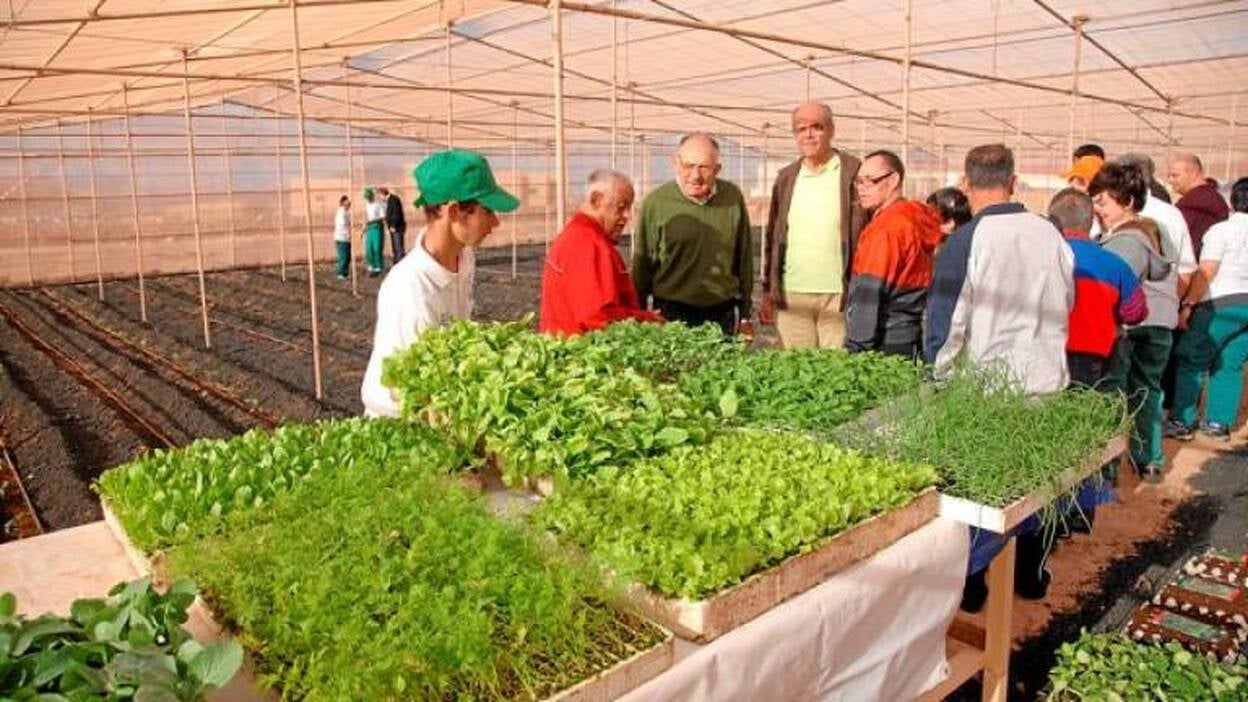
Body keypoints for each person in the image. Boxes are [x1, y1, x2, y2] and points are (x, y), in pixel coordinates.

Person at [361, 149, 518, 417]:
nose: (495, 221)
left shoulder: (464, 258)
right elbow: (409, 392)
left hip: (442, 406)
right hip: (401, 426)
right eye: (487, 210)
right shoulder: (410, 289)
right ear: (456, 211)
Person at [925, 143, 1075, 395]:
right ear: (1013, 182)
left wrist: (940, 379)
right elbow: (1068, 300)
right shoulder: (1050, 234)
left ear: (965, 183)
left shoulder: (965, 241)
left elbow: (947, 321)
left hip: (989, 390)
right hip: (1047, 381)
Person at [1089, 163, 1181, 481]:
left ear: (1127, 201)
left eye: (1103, 203)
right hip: (1160, 322)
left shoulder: (1124, 244)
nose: (1097, 210)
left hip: (1129, 326)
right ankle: (1149, 459)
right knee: (1147, 391)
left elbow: (1113, 292)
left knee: (1112, 396)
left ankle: (1107, 468)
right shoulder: (1153, 230)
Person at [761, 102, 865, 348]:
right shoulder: (786, 178)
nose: (808, 134)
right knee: (795, 370)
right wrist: (768, 288)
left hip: (839, 293)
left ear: (831, 130)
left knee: (837, 371)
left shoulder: (853, 172)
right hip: (792, 294)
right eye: (801, 129)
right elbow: (773, 235)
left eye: (817, 127)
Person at [632, 132, 753, 336]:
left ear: (717, 169)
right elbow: (643, 264)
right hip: (671, 312)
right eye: (689, 166)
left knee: (722, 367)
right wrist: (640, 315)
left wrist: (745, 315)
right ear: (675, 163)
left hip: (721, 311)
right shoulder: (657, 203)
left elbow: (744, 257)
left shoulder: (732, 197)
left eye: (704, 168)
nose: (696, 176)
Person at [1167, 178, 1248, 442]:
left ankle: (1182, 420)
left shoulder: (1221, 231)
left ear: (1232, 200)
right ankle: (1218, 423)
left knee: (1192, 361)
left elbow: (1207, 271)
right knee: (1231, 364)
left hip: (1220, 302)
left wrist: (1189, 304)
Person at [843, 150, 942, 358]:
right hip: (909, 337)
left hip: (884, 343)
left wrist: (856, 350)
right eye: (859, 182)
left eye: (870, 181)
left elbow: (868, 297)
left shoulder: (886, 229)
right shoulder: (914, 219)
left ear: (894, 179)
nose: (862, 189)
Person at [1047, 187, 1148, 388]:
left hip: (1049, 346)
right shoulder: (1114, 263)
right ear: (1092, 220)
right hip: (1094, 354)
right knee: (1082, 408)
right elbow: (1135, 312)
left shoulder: (1045, 256)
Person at [540, 170, 660, 336]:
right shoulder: (588, 245)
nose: (627, 216)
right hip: (582, 353)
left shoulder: (579, 236)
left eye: (629, 207)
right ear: (596, 200)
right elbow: (597, 318)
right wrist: (647, 319)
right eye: (621, 207)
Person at [1168, 153, 1230, 255]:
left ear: (1194, 174)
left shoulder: (1197, 202)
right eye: (1169, 176)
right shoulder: (1208, 197)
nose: (1170, 180)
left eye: (1175, 175)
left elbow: (1182, 239)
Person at [379, 186, 407, 264]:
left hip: (396, 228)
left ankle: (400, 265)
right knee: (395, 248)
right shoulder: (390, 200)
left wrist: (393, 226)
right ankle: (396, 264)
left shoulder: (393, 200)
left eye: (380, 196)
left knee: (398, 248)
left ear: (383, 194)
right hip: (393, 228)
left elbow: (396, 213)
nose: (380, 198)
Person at [362, 187, 386, 276]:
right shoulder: (367, 205)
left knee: (377, 247)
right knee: (369, 247)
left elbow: (383, 217)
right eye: (366, 197)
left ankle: (378, 266)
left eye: (368, 197)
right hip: (369, 227)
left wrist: (373, 221)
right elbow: (367, 217)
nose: (367, 199)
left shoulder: (378, 205)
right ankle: (370, 265)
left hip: (377, 227)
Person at [333, 195, 352, 280]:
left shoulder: (346, 212)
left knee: (347, 256)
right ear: (343, 203)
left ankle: (345, 273)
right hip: (341, 237)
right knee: (343, 256)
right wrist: (348, 231)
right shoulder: (341, 212)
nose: (349, 204)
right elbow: (343, 224)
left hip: (346, 237)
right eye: (347, 202)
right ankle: (340, 273)